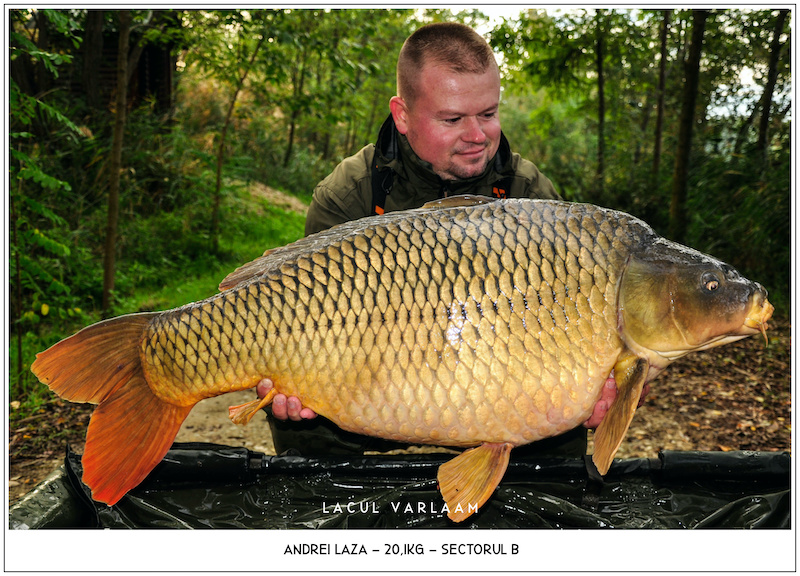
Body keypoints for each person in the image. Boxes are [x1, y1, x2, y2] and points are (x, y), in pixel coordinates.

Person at [257, 22, 620, 457]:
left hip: (491, 387)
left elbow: (572, 319)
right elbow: (296, 315)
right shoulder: (350, 192)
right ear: (402, 115)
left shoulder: (529, 194)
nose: (477, 136)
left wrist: (593, 390)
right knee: (303, 428)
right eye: (452, 119)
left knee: (561, 437)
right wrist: (288, 391)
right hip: (370, 391)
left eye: (488, 114)